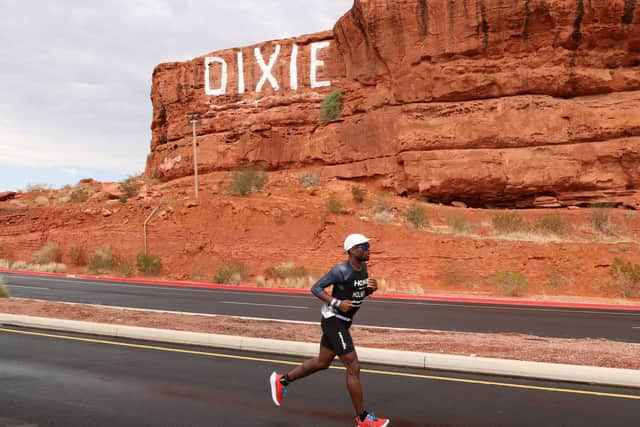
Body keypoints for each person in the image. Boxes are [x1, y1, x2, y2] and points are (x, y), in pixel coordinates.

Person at [269, 233, 390, 427]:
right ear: (352, 250)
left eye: (368, 245)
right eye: (364, 246)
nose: (368, 249)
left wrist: (369, 290)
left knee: (322, 362)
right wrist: (337, 303)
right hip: (334, 321)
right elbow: (316, 288)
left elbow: (355, 293)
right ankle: (363, 419)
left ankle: (282, 380)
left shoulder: (363, 268)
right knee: (353, 366)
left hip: (343, 322)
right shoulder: (340, 270)